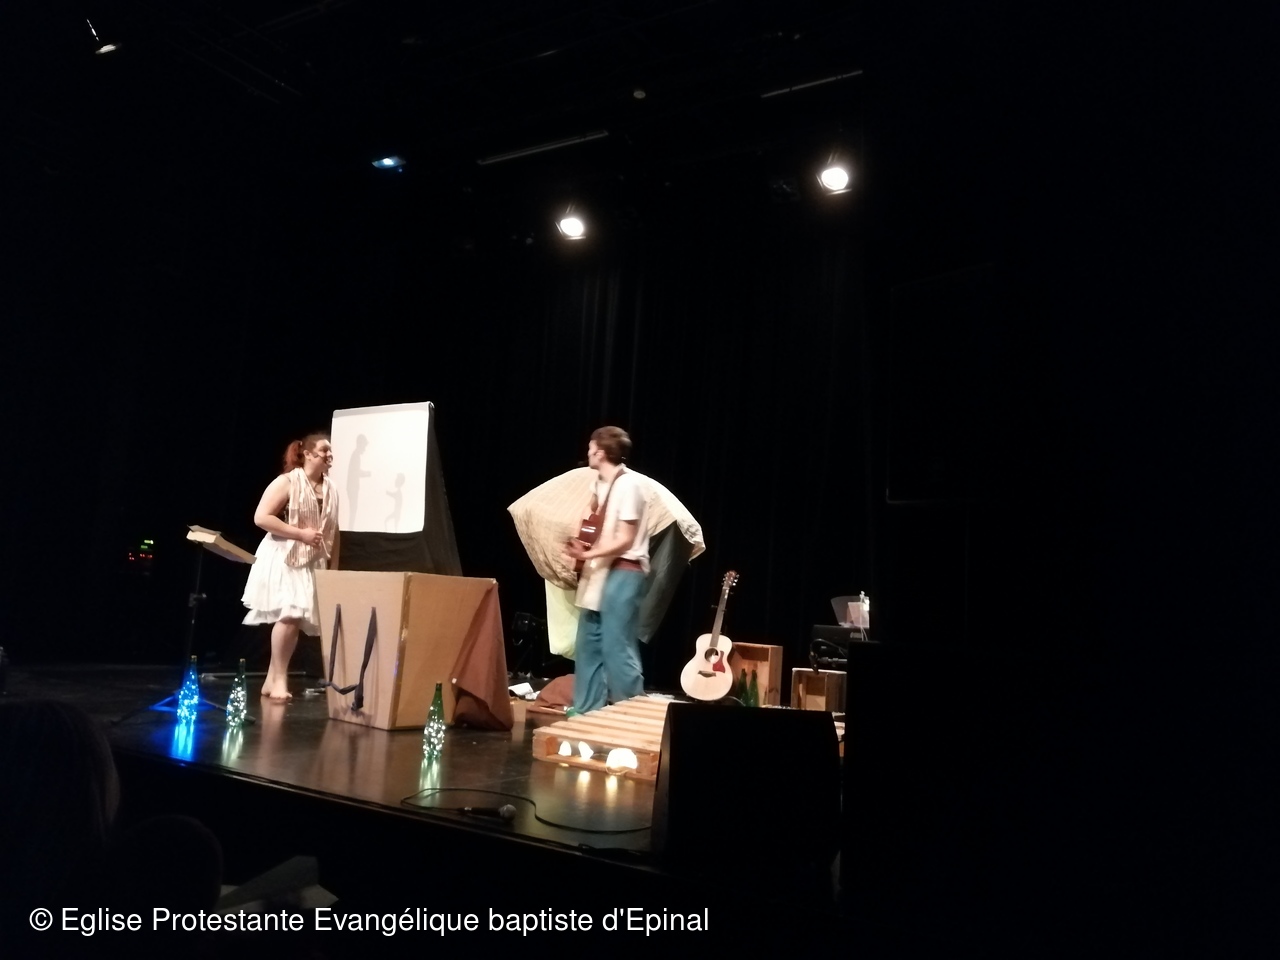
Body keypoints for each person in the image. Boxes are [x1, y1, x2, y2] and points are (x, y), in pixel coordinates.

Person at [242, 433, 340, 700]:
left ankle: (271, 680)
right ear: (307, 454)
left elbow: (333, 530)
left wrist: (333, 567)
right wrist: (300, 534)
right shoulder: (287, 481)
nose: (329, 455)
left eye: (330, 451)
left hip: (312, 558)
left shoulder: (330, 488)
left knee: (294, 619)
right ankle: (279, 679)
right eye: (324, 450)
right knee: (290, 614)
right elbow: (262, 517)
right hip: (284, 555)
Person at [564, 426, 650, 714]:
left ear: (600, 452)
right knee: (588, 641)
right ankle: (587, 710)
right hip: (600, 569)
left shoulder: (630, 486)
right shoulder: (600, 483)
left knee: (616, 643)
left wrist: (588, 553)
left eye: (590, 448)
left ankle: (632, 711)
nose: (587, 452)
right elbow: (592, 516)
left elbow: (625, 538)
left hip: (624, 569)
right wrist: (580, 542)